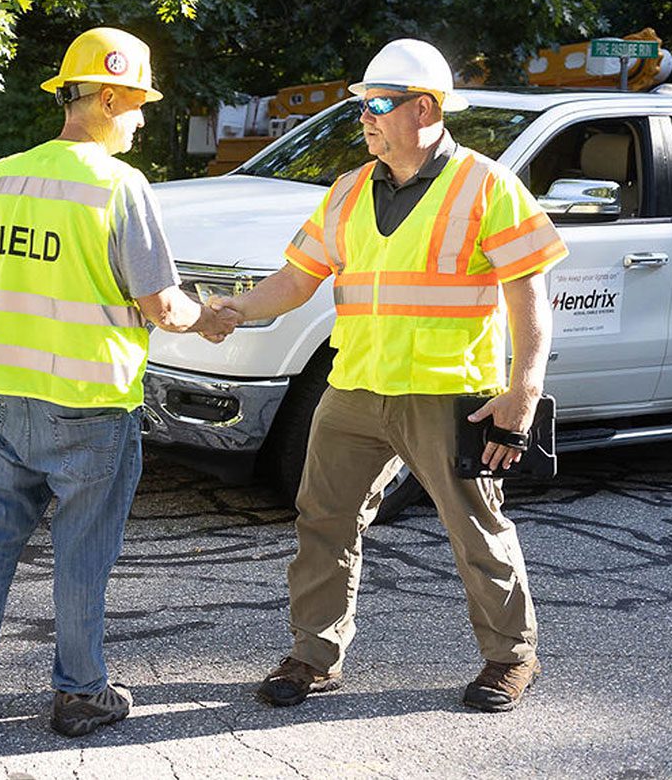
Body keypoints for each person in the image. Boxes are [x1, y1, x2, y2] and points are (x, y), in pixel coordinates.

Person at [210, 38, 568, 713]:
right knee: (323, 520)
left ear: (425, 109)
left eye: (379, 104)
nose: (365, 117)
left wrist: (522, 392)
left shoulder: (486, 185)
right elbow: (297, 278)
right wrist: (234, 309)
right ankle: (314, 657)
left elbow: (529, 294)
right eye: (362, 105)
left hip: (448, 393)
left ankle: (511, 657)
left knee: (475, 529)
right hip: (354, 387)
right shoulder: (349, 189)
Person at [0, 27, 237, 737]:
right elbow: (161, 305)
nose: (145, 118)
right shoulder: (120, 188)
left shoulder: (0, 177)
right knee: (82, 549)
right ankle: (81, 692)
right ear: (113, 96)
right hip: (92, 402)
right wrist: (209, 318)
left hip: (8, 391)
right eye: (140, 103)